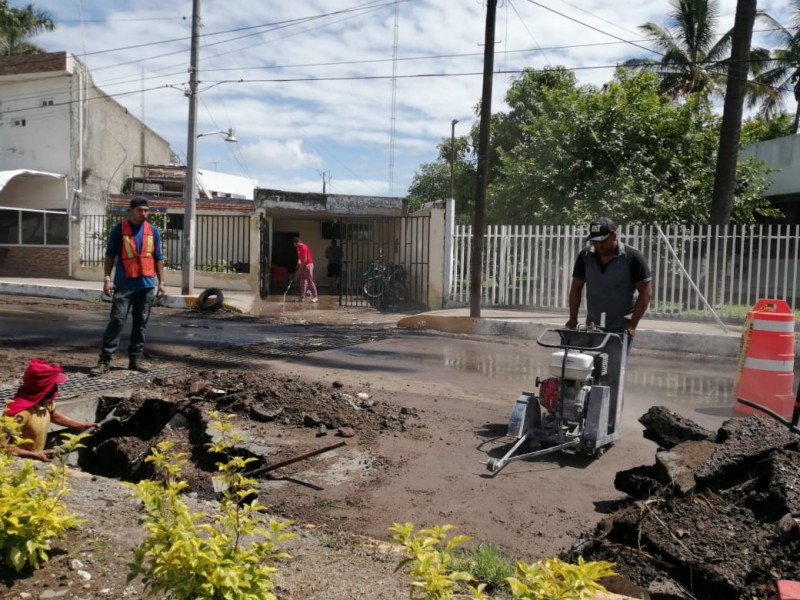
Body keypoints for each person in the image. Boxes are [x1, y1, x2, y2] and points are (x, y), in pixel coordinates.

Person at [90, 197, 166, 375]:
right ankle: (105, 361)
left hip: (146, 286)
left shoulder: (152, 231)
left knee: (140, 324)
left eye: (146, 210)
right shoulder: (119, 229)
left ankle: (135, 360)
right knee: (117, 321)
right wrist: (107, 278)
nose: (144, 214)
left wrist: (161, 282)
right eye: (140, 210)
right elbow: (110, 255)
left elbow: (158, 258)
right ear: (131, 210)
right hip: (124, 285)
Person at [566, 217, 652, 338]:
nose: (598, 245)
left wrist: (633, 324)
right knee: (589, 356)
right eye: (594, 241)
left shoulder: (633, 257)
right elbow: (576, 287)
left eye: (602, 241)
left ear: (614, 236)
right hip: (592, 326)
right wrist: (572, 319)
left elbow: (645, 292)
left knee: (614, 357)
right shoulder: (585, 256)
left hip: (621, 328)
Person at [3, 359, 97, 462]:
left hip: (35, 459)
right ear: (43, 387)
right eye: (53, 385)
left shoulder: (44, 402)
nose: (56, 388)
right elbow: (2, 445)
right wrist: (33, 455)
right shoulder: (19, 412)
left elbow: (53, 414)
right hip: (16, 463)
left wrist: (81, 425)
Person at [293, 236, 318, 303]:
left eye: (294, 244)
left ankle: (315, 297)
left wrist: (299, 270)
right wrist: (299, 261)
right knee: (302, 281)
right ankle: (302, 297)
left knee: (310, 281)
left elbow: (304, 260)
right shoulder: (298, 248)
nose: (294, 245)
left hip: (308, 265)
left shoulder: (303, 247)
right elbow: (300, 258)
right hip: (303, 265)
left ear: (296, 243)